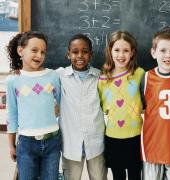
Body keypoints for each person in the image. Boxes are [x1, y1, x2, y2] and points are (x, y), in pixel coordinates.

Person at [6, 31, 61, 180]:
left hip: (52, 141)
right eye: (34, 50)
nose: (39, 56)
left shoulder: (53, 76)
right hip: (26, 143)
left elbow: (62, 103)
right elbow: (12, 113)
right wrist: (11, 145)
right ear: (20, 50)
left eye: (43, 52)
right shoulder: (13, 80)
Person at [141, 28, 170, 180]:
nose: (168, 55)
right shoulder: (146, 77)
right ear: (153, 52)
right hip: (152, 145)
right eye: (162, 50)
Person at [59, 34, 107, 180]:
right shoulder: (59, 76)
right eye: (75, 52)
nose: (80, 55)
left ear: (91, 54)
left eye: (85, 51)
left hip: (96, 142)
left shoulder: (101, 77)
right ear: (68, 54)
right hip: (70, 143)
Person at [98, 30, 144, 180]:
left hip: (135, 135)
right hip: (112, 136)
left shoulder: (139, 74)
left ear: (132, 52)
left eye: (126, 50)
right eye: (117, 50)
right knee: (117, 175)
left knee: (135, 174)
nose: (121, 55)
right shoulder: (103, 78)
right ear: (110, 51)